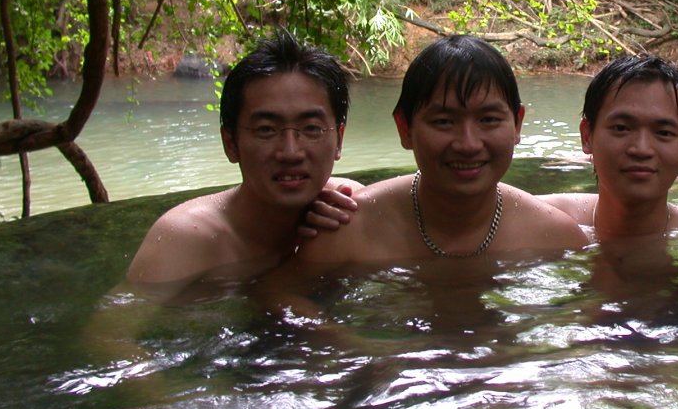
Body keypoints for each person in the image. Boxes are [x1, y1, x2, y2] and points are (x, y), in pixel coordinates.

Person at [286, 35, 587, 272]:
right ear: (405, 128)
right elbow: (288, 303)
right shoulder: (347, 232)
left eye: (488, 120)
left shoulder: (557, 237)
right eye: (444, 121)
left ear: (517, 123)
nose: (468, 144)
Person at [124, 30, 358, 302]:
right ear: (231, 143)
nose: (291, 151)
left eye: (311, 128)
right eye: (266, 130)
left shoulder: (346, 208)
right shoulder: (185, 239)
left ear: (339, 139)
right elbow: (110, 338)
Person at [540, 55, 678, 239]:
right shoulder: (539, 222)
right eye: (621, 128)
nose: (641, 149)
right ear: (587, 136)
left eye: (663, 133)